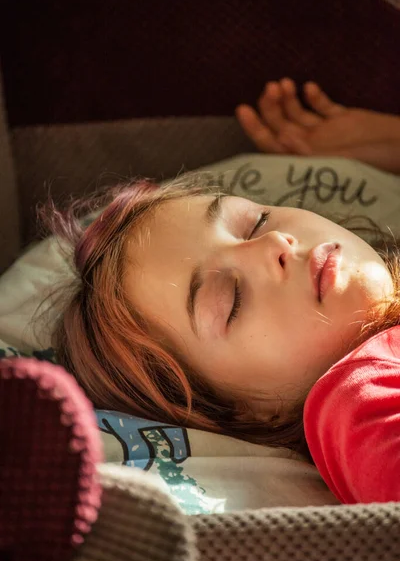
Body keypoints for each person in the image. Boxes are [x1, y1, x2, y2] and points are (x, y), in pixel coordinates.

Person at [42, 78, 400, 504]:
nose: (274, 246)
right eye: (231, 301)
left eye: (256, 222)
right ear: (247, 413)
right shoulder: (360, 402)